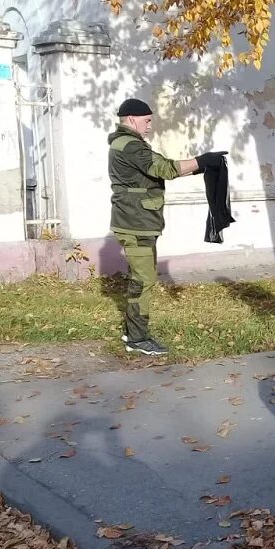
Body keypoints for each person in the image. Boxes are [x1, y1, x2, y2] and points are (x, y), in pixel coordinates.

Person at [108, 98, 225, 356]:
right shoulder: (129, 145)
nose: (150, 126)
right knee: (143, 281)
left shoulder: (131, 144)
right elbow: (164, 168)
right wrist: (201, 160)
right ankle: (137, 339)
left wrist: (202, 167)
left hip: (138, 222)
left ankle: (133, 332)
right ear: (131, 119)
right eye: (147, 120)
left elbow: (159, 171)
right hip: (135, 223)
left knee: (141, 279)